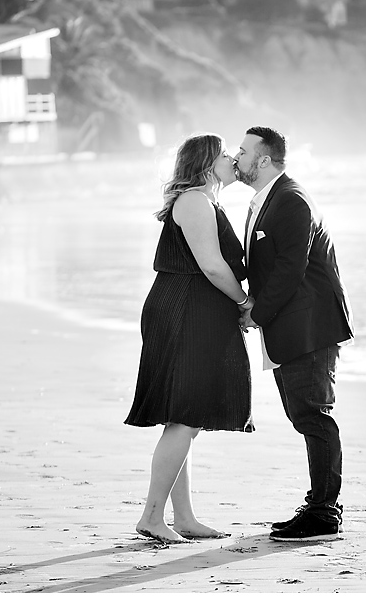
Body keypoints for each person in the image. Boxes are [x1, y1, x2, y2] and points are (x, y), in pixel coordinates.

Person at [125, 133, 254, 544]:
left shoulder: (204, 199)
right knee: (184, 416)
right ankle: (151, 516)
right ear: (205, 164)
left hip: (192, 308)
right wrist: (245, 303)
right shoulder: (196, 200)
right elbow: (213, 267)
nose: (234, 160)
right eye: (224, 155)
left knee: (186, 418)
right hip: (185, 310)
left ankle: (184, 517)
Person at [235, 126, 354, 542]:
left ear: (264, 160)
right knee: (304, 415)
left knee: (313, 415)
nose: (237, 157)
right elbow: (267, 266)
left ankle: (324, 512)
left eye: (244, 151)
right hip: (292, 323)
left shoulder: (291, 200)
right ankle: (322, 504)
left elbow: (291, 269)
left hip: (311, 324)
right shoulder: (266, 200)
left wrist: (256, 312)